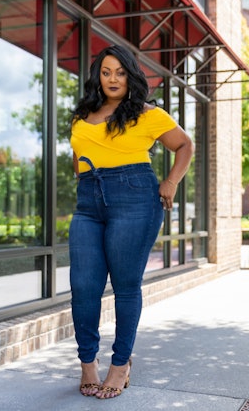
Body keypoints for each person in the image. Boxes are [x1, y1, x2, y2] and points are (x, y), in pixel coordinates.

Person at [69, 44, 194, 400]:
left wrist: (170, 182)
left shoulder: (147, 113)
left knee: (125, 286)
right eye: (106, 72)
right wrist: (88, 182)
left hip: (135, 196)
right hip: (88, 201)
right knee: (83, 286)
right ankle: (87, 364)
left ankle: (120, 364)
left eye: (120, 72)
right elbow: (78, 158)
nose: (112, 78)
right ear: (98, 76)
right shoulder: (82, 116)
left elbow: (185, 145)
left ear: (130, 75)